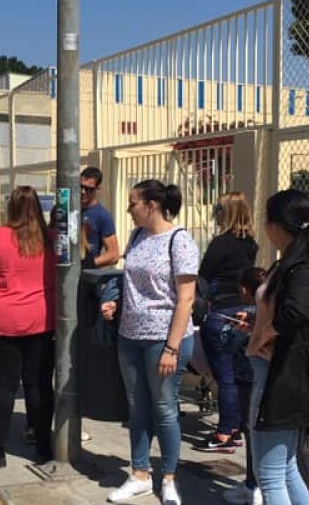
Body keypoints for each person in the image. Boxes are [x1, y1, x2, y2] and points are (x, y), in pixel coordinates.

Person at [105, 179, 199, 505]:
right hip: (130, 337)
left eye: (133, 203)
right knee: (137, 407)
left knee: (164, 409)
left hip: (164, 339)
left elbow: (186, 299)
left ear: (152, 205)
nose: (129, 209)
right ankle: (140, 474)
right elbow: (133, 282)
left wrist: (172, 348)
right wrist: (116, 303)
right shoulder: (137, 236)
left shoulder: (180, 241)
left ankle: (169, 478)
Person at [240, 188, 309, 505]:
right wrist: (258, 325)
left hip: (280, 378)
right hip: (275, 373)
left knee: (270, 475)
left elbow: (296, 314)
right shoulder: (290, 262)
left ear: (276, 225)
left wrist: (266, 332)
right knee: (287, 468)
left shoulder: (303, 267)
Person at [0, 185, 56, 469]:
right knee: (39, 385)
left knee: (3, 386)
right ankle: (43, 446)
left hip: (1, 321)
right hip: (41, 320)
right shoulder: (49, 239)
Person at [196, 192, 259, 454]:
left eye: (218, 208)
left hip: (222, 311)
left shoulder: (220, 244)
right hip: (246, 310)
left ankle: (225, 433)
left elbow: (203, 275)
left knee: (225, 377)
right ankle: (237, 427)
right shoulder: (251, 244)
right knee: (241, 374)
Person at [220, 267, 266, 505]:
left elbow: (227, 344)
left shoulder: (247, 315)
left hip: (248, 381)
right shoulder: (270, 314)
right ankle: (255, 483)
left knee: (251, 430)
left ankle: (253, 485)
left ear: (245, 290)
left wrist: (236, 331)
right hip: (267, 379)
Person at [81, 166, 119, 269]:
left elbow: (114, 255)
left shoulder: (102, 215)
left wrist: (88, 264)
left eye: (89, 189)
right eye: (80, 187)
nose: (83, 191)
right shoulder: (68, 210)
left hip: (87, 277)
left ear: (97, 188)